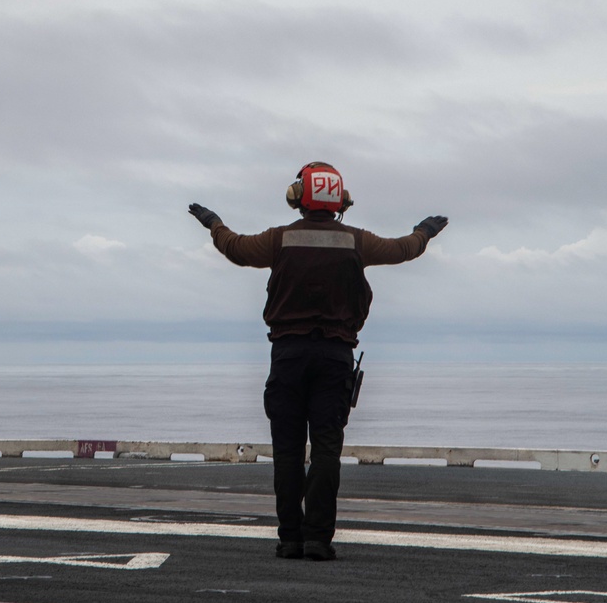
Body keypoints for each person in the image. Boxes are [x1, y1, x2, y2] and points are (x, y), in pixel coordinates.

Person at [188, 162, 447, 562]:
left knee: (288, 451)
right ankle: (318, 540)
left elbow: (235, 248)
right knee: (326, 450)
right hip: (335, 358)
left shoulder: (280, 239)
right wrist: (424, 231)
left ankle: (290, 538)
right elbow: (403, 250)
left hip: (287, 356)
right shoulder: (357, 241)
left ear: (297, 198)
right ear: (340, 200)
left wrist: (213, 223)